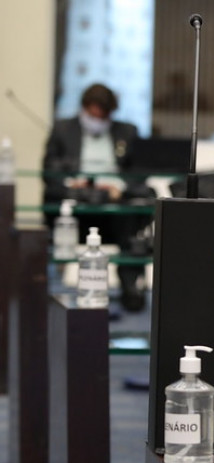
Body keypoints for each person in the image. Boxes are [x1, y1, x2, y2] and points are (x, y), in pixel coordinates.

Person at [42, 83, 152, 312]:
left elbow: (139, 174)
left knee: (132, 215)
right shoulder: (63, 130)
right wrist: (72, 184)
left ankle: (131, 287)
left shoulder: (127, 132)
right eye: (93, 114)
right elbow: (48, 173)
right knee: (62, 216)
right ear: (84, 109)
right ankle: (53, 290)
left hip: (113, 205)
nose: (98, 120)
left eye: (104, 115)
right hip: (76, 206)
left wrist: (118, 188)